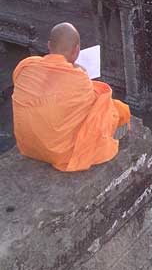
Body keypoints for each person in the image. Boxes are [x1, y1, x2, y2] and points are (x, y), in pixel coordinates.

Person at [12, 22, 130, 172]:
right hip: (59, 152)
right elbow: (96, 104)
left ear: (49, 45)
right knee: (115, 108)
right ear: (77, 50)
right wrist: (82, 74)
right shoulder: (78, 78)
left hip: (28, 145)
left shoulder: (26, 66)